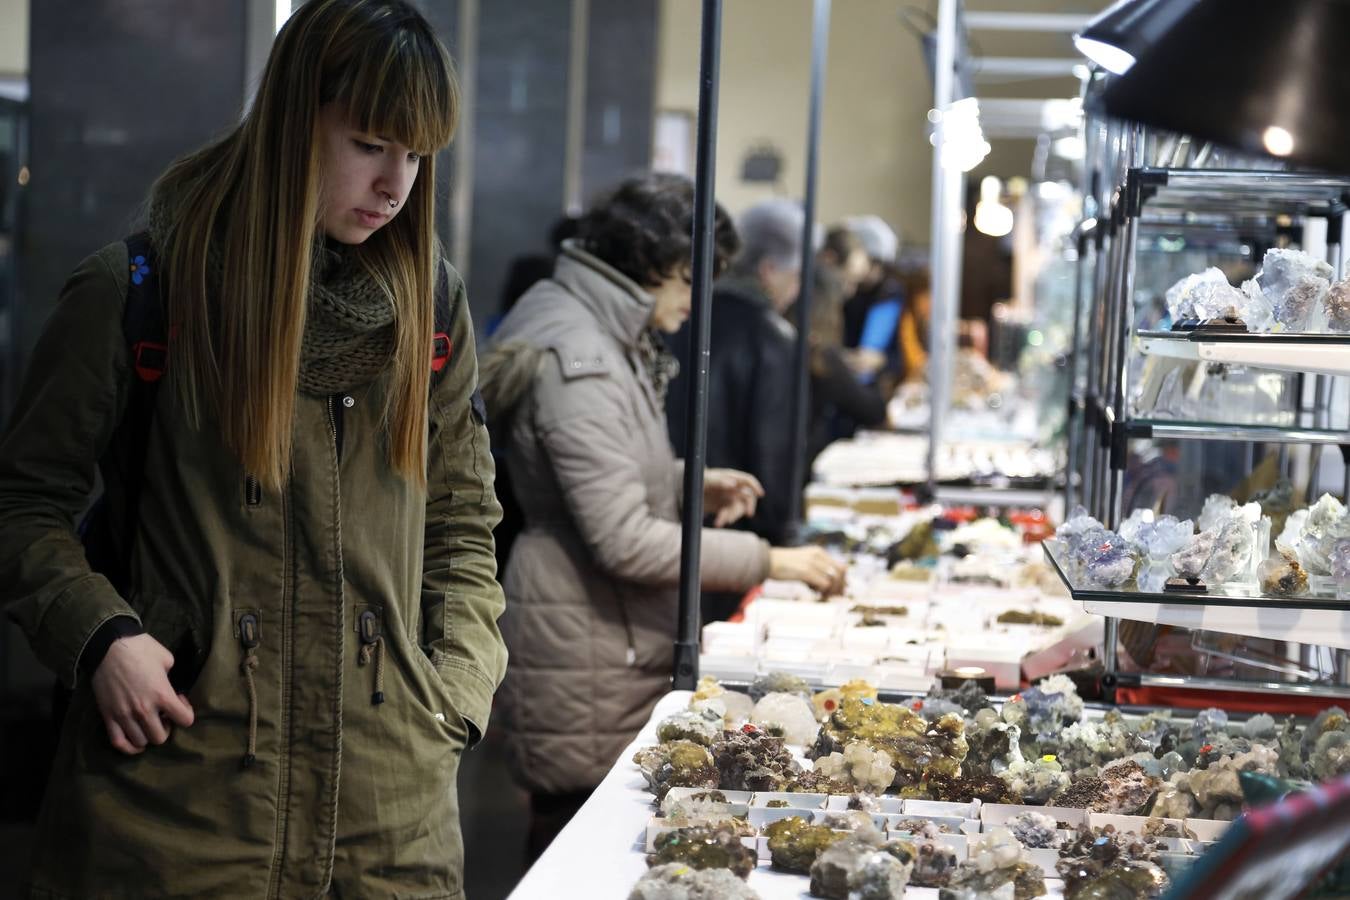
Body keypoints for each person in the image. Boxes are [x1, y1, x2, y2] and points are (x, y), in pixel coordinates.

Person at [0, 2, 506, 896]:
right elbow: (22, 501)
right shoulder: (140, 291)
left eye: (419, 153)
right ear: (293, 119)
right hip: (176, 807)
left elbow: (463, 524)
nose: (397, 184)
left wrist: (454, 697)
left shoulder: (432, 308)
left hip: (388, 816)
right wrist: (101, 637)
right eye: (371, 142)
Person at [480, 174, 844, 861]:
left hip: (600, 631)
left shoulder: (594, 328)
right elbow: (620, 538)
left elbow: (598, 473)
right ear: (653, 266)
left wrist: (689, 486)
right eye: (687, 281)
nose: (694, 301)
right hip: (584, 637)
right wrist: (769, 560)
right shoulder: (578, 355)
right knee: (578, 847)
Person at [667, 198, 815, 548]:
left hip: (668, 517)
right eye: (795, 277)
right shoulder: (772, 338)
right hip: (738, 524)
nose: (796, 290)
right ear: (769, 270)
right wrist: (780, 540)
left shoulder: (682, 318)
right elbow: (775, 455)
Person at [800, 226, 888, 463]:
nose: (850, 292)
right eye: (847, 281)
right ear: (829, 260)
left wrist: (845, 360)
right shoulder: (810, 312)